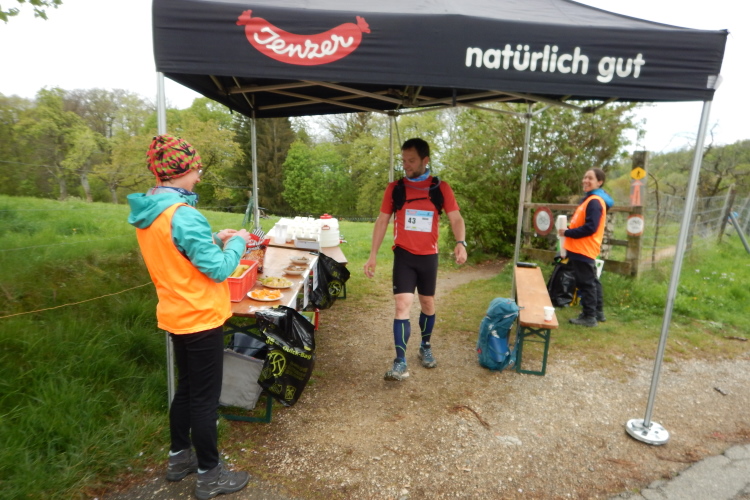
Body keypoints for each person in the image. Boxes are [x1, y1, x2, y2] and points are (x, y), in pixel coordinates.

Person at [127, 135, 251, 500]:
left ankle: (179, 458)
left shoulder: (151, 210)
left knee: (186, 389)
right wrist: (237, 243)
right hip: (201, 317)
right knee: (204, 400)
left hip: (176, 314)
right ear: (180, 171)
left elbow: (175, 249)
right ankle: (210, 475)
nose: (199, 176)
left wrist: (213, 237)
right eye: (196, 169)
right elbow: (218, 269)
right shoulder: (183, 213)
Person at [364, 138, 467, 381]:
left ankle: (425, 346)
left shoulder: (440, 188)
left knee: (427, 303)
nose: (406, 165)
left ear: (425, 160)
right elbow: (382, 221)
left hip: (428, 256)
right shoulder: (395, 188)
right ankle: (400, 362)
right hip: (404, 255)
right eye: (404, 160)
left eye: (411, 160)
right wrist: (372, 255)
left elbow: (456, 218)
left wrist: (460, 242)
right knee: (402, 305)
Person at [558, 167, 614, 327]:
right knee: (592, 281)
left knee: (586, 283)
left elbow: (591, 227)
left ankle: (589, 317)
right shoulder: (590, 199)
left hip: (583, 248)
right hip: (583, 248)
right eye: (585, 177)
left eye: (590, 178)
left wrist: (568, 232)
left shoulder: (594, 201)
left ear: (599, 182)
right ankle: (598, 313)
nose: (585, 180)